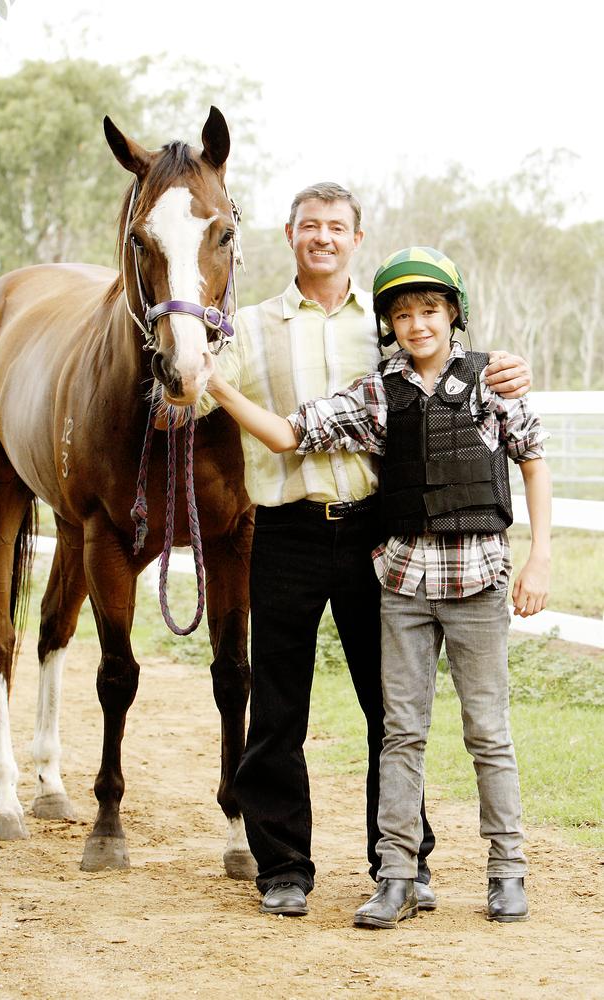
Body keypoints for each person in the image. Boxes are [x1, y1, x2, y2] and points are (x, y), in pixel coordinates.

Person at [205, 189, 532, 917]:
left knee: (390, 708)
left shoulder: (386, 320)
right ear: (290, 235)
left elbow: (454, 367)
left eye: (336, 228)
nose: (322, 238)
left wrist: (507, 369)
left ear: (357, 237)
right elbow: (203, 397)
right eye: (310, 227)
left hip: (375, 532)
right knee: (279, 706)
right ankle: (284, 865)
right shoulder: (252, 326)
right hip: (285, 529)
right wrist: (192, 365)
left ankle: (403, 862)